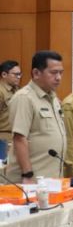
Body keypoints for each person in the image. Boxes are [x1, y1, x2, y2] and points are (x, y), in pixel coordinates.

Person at [5, 51, 66, 181]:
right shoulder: (24, 98)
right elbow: (20, 138)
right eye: (53, 72)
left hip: (51, 178)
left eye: (61, 73)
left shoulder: (53, 99)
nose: (59, 78)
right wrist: (27, 174)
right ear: (36, 73)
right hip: (31, 180)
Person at [0, 60, 22, 161]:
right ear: (4, 74)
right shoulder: (1, 92)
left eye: (20, 74)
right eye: (16, 74)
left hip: (16, 137)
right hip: (3, 138)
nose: (19, 77)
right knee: (3, 168)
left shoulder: (18, 90)